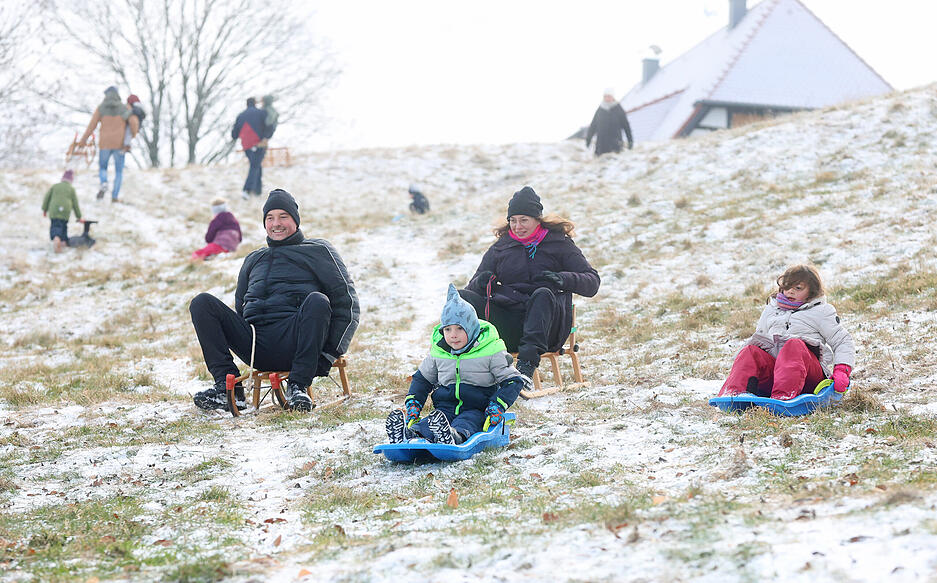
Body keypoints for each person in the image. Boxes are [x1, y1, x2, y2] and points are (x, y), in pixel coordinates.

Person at [189, 188, 359, 412]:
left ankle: (298, 386)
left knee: (317, 300)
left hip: (297, 340)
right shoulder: (254, 258)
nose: (276, 223)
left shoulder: (318, 250)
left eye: (283, 216)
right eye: (270, 218)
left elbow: (347, 305)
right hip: (255, 343)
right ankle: (227, 388)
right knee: (202, 302)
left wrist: (327, 354)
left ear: (295, 221)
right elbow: (241, 307)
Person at [460, 186, 600, 387]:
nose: (517, 226)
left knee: (542, 293)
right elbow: (472, 290)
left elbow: (592, 282)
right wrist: (481, 282)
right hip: (511, 322)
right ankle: (460, 365)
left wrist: (562, 279)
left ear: (537, 219)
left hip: (547, 327)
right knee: (461, 296)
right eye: (513, 220)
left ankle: (525, 368)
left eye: (524, 220)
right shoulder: (502, 247)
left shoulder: (559, 243)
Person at [385, 284, 524, 445]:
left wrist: (497, 404)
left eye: (459, 328)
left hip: (477, 408)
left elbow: (513, 381)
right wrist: (414, 402)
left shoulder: (490, 350)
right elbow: (422, 379)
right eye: (448, 329)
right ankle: (409, 434)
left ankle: (453, 436)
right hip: (445, 407)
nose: (453, 335)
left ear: (471, 328)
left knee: (467, 423)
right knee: (431, 422)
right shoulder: (439, 352)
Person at [718, 264, 855, 400]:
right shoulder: (772, 310)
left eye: (798, 288)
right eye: (787, 287)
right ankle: (734, 394)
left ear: (812, 291)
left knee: (794, 345)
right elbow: (759, 339)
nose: (790, 291)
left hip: (809, 376)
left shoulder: (821, 311)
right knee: (750, 350)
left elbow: (842, 340)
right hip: (776, 375)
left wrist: (842, 370)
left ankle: (783, 396)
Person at [78, 86, 134, 202]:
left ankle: (104, 182)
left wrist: (83, 140)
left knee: (103, 167)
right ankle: (114, 197)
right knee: (119, 171)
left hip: (104, 143)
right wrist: (132, 136)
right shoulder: (124, 108)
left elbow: (91, 126)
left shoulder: (101, 108)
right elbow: (132, 123)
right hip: (119, 144)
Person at [231, 97, 268, 199]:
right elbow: (268, 126)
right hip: (259, 144)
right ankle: (246, 190)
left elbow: (234, 134)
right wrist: (265, 137)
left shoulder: (240, 116)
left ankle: (257, 191)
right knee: (255, 166)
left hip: (246, 145)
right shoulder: (261, 113)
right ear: (255, 103)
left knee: (256, 164)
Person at [41, 169, 83, 253]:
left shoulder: (55, 186)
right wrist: (79, 217)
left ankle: (56, 240)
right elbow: (75, 203)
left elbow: (47, 198)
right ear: (71, 179)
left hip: (54, 211)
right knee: (63, 228)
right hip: (65, 213)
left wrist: (45, 209)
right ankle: (63, 244)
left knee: (56, 227)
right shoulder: (71, 189)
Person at [190, 197, 242, 262]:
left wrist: (209, 242)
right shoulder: (233, 219)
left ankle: (205, 258)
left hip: (220, 245)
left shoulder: (217, 220)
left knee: (197, 254)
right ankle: (214, 256)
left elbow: (209, 237)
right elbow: (240, 238)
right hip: (233, 247)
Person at [585, 88, 634, 156]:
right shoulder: (600, 110)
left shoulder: (618, 109)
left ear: (613, 97)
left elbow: (626, 126)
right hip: (601, 147)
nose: (607, 98)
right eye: (605, 96)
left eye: (609, 96)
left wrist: (630, 140)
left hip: (616, 146)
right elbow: (593, 126)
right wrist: (588, 140)